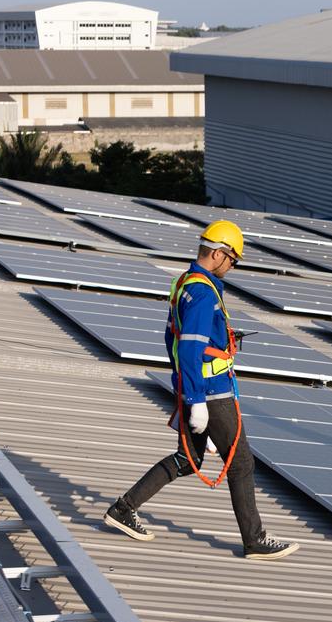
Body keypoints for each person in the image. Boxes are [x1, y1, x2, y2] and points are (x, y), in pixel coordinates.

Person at [104, 220, 299, 561]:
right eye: (233, 259)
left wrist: (184, 385)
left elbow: (172, 341)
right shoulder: (204, 293)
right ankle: (254, 540)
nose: (233, 266)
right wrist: (196, 402)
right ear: (219, 253)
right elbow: (191, 349)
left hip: (196, 387)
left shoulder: (186, 283)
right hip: (211, 392)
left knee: (187, 459)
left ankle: (124, 509)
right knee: (241, 464)